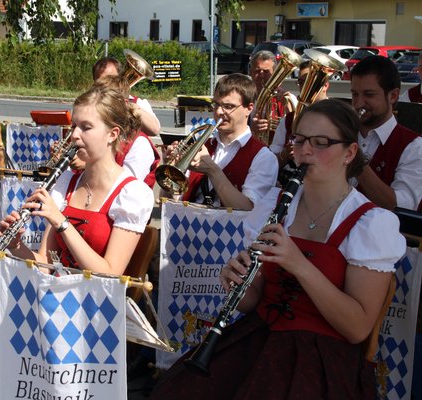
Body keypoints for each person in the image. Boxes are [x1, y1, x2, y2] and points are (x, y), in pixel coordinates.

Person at [149, 99, 406, 400]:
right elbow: (253, 300)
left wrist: (300, 264)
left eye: (321, 142)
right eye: (299, 140)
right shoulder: (276, 204)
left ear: (349, 152)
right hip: (259, 338)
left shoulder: (370, 223)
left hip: (321, 358)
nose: (305, 151)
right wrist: (239, 283)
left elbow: (358, 328)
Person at [0, 84, 155, 399]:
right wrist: (16, 248)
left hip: (90, 312)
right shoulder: (67, 182)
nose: (74, 136)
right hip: (50, 299)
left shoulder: (132, 194)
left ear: (112, 134)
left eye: (85, 127)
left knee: (0, 372)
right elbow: (45, 262)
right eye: (73, 126)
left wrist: (61, 221)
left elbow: (109, 275)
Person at [164, 73, 278, 210]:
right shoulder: (202, 147)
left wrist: (212, 170)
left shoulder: (263, 157)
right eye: (216, 104)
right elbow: (171, 200)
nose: (218, 111)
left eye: (228, 106)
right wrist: (170, 170)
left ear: (249, 108)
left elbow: (249, 209)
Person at [350, 55, 422, 211]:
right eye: (355, 94)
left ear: (393, 96)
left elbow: (401, 208)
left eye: (369, 95)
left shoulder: (414, 147)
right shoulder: (342, 132)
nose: (359, 103)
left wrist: (354, 158)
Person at [270, 60, 331, 169]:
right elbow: (271, 161)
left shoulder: (337, 118)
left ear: (325, 85)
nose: (305, 86)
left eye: (310, 81)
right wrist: (284, 155)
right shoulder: (288, 120)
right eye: (301, 82)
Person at [92, 56, 161, 136]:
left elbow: (154, 130)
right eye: (101, 81)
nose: (106, 84)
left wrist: (126, 104)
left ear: (120, 78)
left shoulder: (138, 103)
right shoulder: (89, 102)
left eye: (111, 79)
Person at [249, 50, 297, 144]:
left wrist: (287, 107)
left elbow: (296, 129)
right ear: (251, 73)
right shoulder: (244, 98)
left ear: (275, 73)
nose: (261, 75)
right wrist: (251, 128)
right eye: (257, 71)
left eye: (266, 71)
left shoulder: (289, 98)